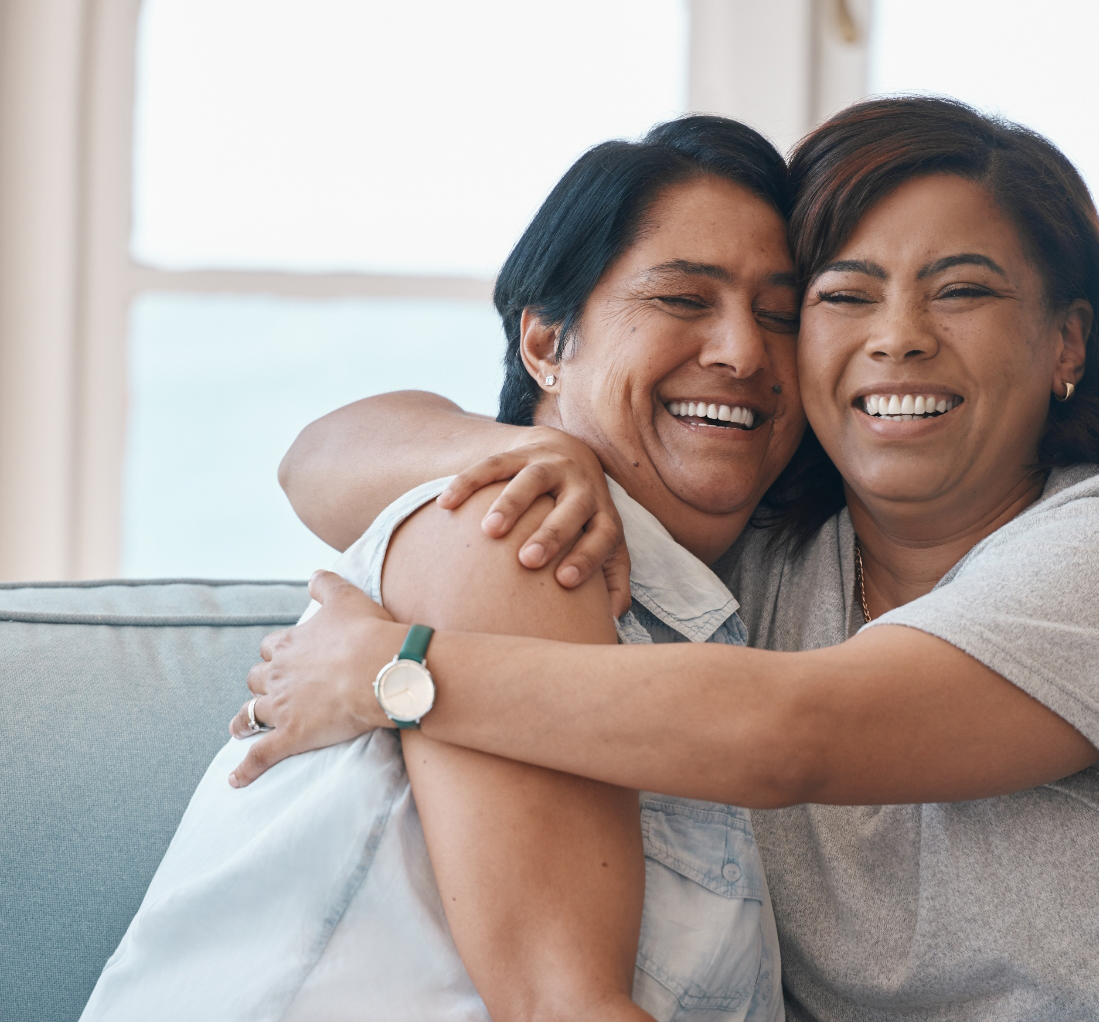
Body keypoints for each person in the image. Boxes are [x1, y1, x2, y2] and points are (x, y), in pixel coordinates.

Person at [244, 98, 1099, 1022]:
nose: (900, 338)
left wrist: (398, 673)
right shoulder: (744, 564)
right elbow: (321, 457)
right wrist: (514, 445)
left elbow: (794, 738)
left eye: (963, 290)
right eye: (841, 294)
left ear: (1067, 342)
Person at [82, 116, 811, 1022]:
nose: (743, 351)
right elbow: (562, 1005)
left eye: (780, 315)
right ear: (545, 343)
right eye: (682, 300)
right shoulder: (520, 532)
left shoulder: (724, 598)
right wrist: (538, 457)